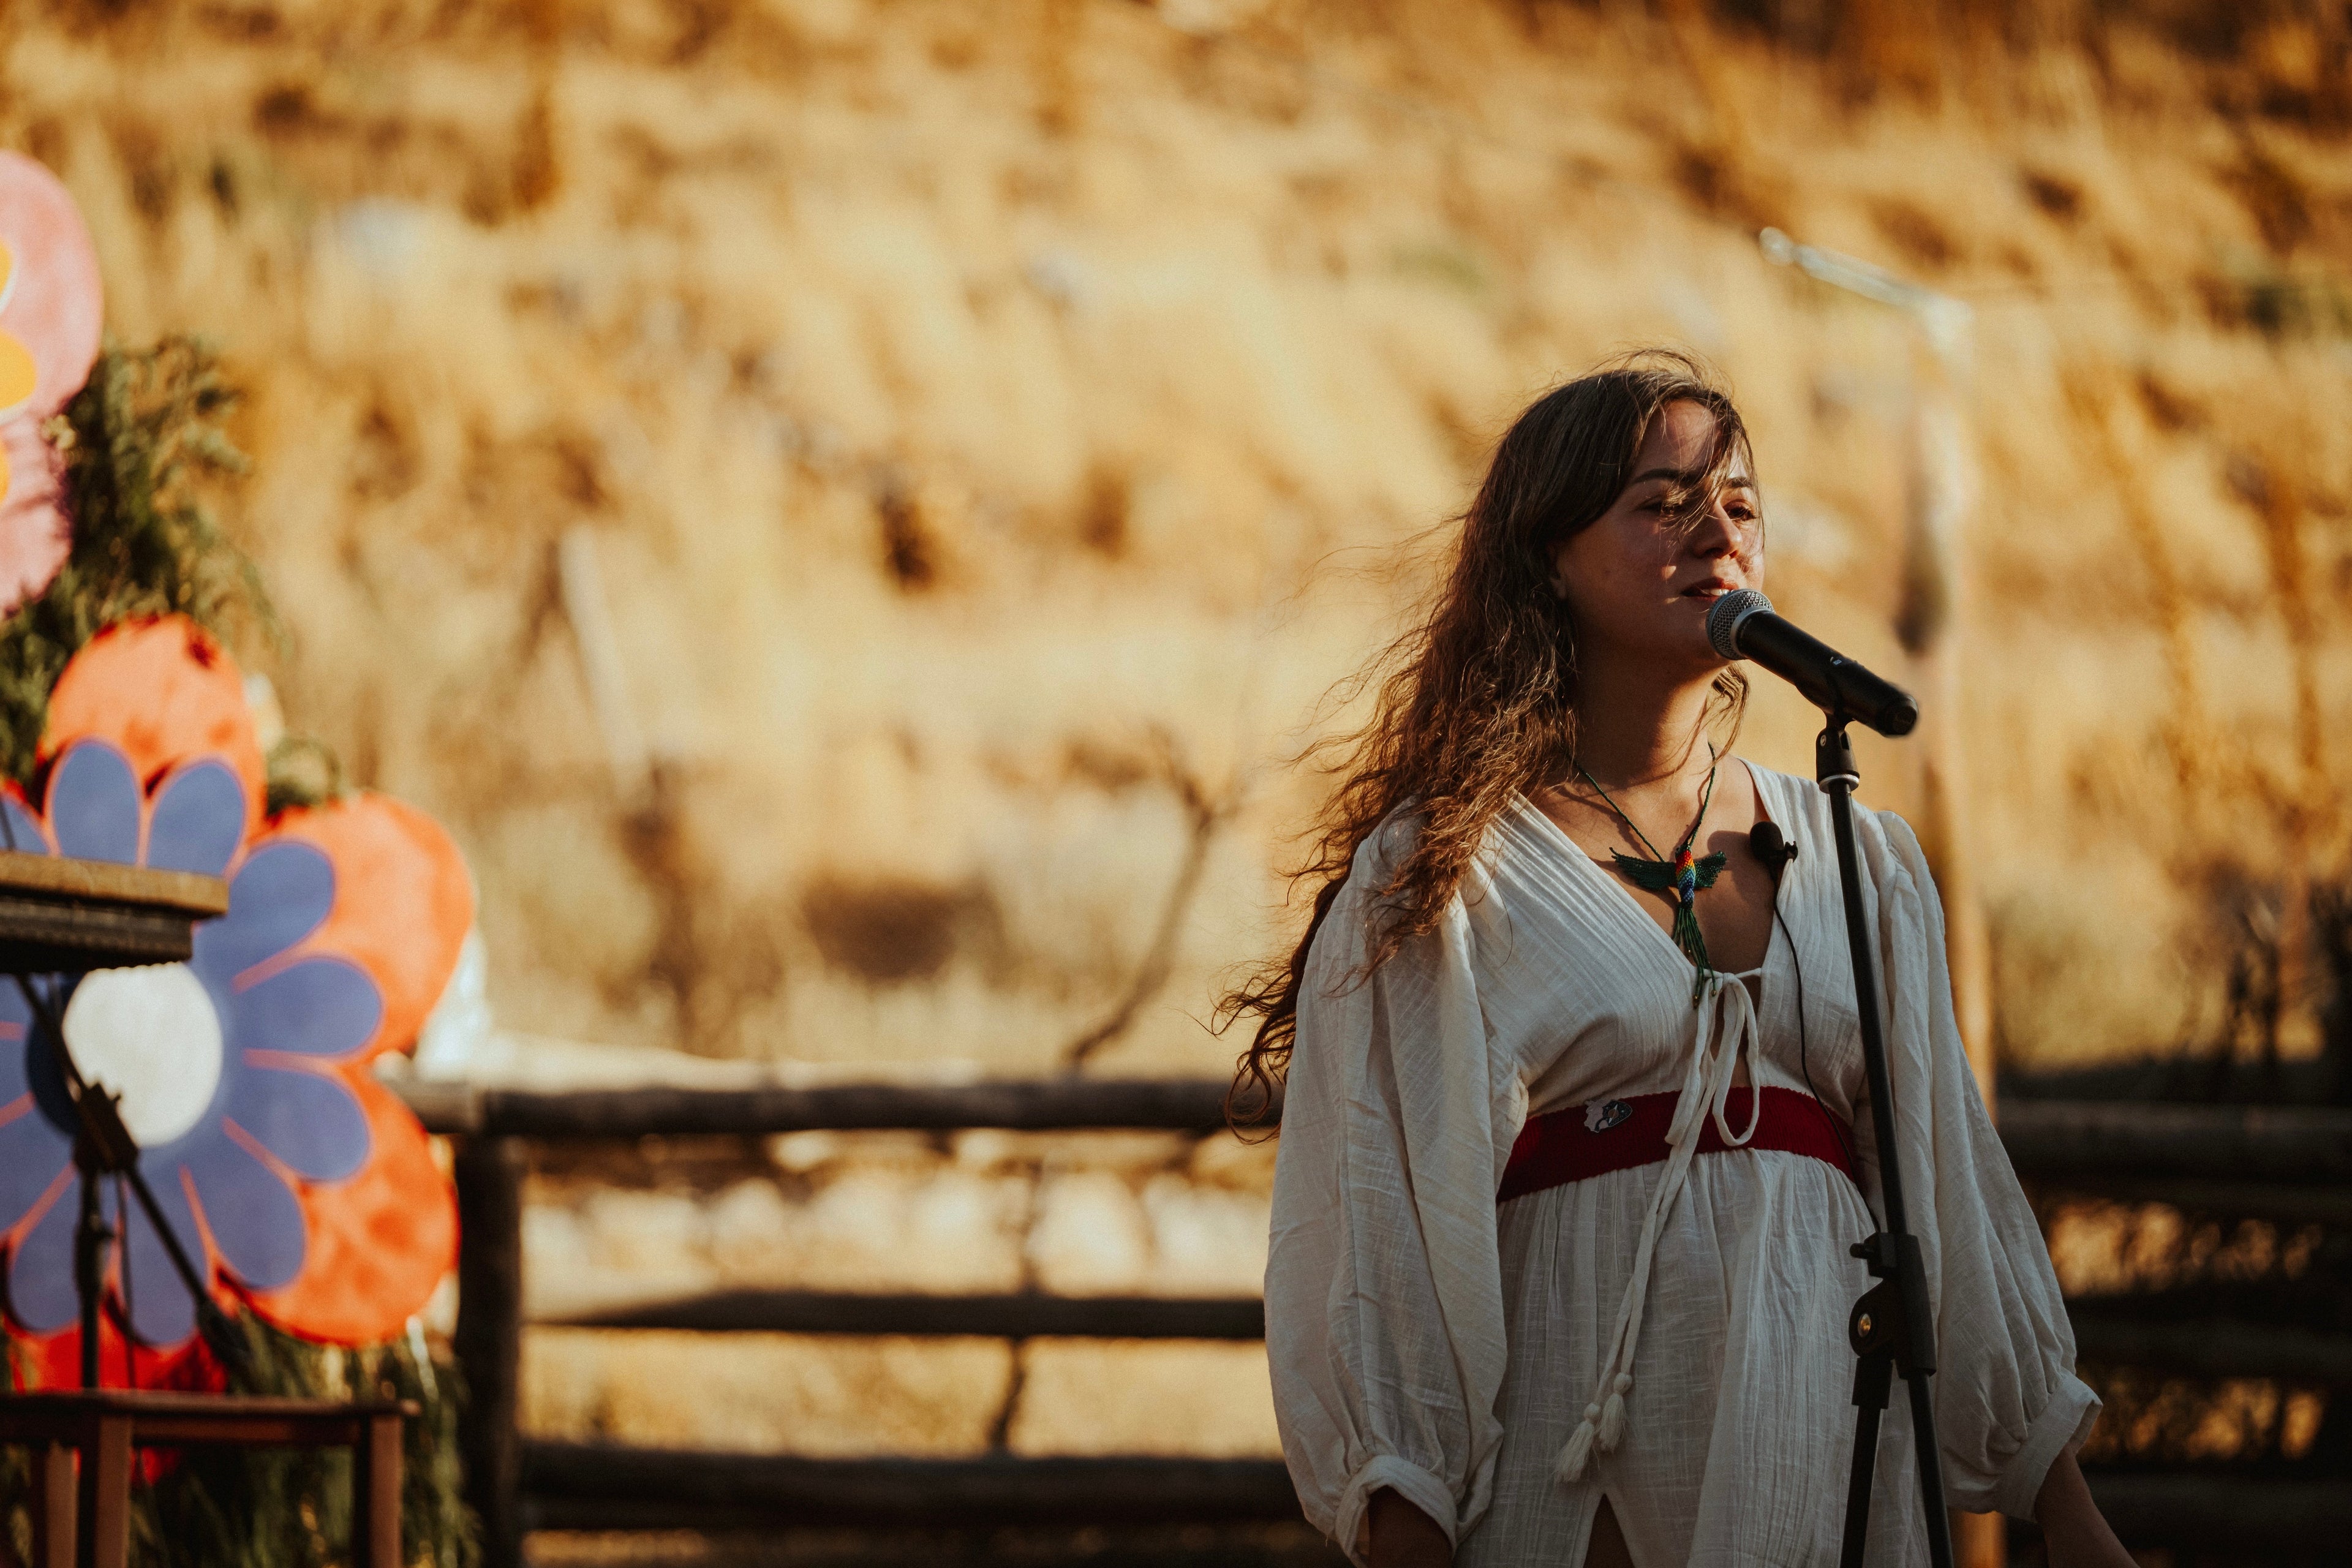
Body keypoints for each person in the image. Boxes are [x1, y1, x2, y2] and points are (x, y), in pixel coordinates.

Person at [1226, 353, 2134, 1567]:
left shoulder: (1855, 855)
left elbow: (1945, 1189)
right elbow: (1386, 1227)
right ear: (1550, 556)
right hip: (1580, 1452)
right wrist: (1406, 1518)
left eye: (1740, 504)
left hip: (1827, 1436)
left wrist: (2068, 1513)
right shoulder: (1444, 873)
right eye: (1661, 503)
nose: (1717, 532)